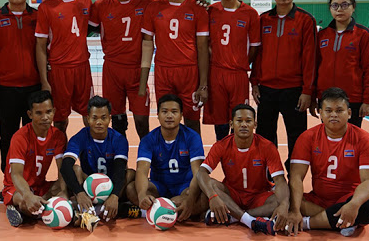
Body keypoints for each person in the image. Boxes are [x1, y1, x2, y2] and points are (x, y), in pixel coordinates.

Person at [286, 87, 369, 237]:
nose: (333, 115)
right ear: (321, 113)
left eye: (339, 110)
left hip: (348, 200)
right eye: (328, 111)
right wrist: (295, 210)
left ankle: (307, 223)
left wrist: (354, 204)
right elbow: (296, 176)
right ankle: (342, 221)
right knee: (282, 197)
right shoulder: (307, 137)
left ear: (349, 113)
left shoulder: (364, 139)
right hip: (317, 200)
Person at [250, 0, 317, 172]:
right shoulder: (263, 20)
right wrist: (254, 83)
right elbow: (257, 55)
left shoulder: (306, 20)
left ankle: (294, 179)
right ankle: (270, 176)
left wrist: (307, 91)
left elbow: (310, 58)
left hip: (294, 91)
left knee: (297, 138)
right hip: (267, 90)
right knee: (265, 136)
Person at [139, 0, 210, 135]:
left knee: (192, 121)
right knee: (167, 119)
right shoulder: (153, 8)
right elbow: (147, 45)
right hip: (164, 72)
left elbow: (202, 48)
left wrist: (203, 84)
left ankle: (195, 160)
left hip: (189, 72)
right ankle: (167, 159)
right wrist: (143, 82)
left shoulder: (197, 9)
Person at [197, 104, 289, 235]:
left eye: (248, 121)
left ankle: (234, 217)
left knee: (280, 198)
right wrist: (213, 196)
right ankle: (250, 221)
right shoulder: (221, 146)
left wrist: (284, 206)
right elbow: (201, 173)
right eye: (239, 121)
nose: (244, 125)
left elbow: (280, 180)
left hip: (258, 196)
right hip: (232, 195)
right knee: (211, 185)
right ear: (231, 124)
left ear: (255, 124)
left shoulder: (267, 146)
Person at [89, 0, 154, 140]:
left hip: (136, 70)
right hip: (112, 71)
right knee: (117, 122)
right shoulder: (101, 6)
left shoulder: (147, 3)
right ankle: (120, 162)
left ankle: (147, 161)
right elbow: (82, 29)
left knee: (142, 122)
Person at [0, 0, 41, 173]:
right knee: (8, 136)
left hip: (34, 89)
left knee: (32, 136)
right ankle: (8, 179)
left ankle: (31, 177)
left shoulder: (38, 17)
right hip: (7, 89)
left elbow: (46, 53)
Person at [128, 94, 208, 223]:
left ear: (181, 115)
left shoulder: (192, 137)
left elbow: (198, 173)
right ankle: (179, 212)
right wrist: (142, 195)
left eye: (174, 112)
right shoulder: (148, 139)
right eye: (164, 112)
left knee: (207, 193)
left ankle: (158, 212)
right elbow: (142, 171)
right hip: (160, 188)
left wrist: (190, 199)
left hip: (185, 187)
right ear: (158, 115)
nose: (169, 116)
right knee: (132, 189)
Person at [35, 0, 93, 134]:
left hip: (82, 68)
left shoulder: (86, 0)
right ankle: (63, 161)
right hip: (59, 70)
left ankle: (89, 158)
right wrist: (44, 80)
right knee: (60, 121)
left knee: (90, 117)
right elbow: (40, 45)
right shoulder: (47, 7)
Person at [203, 0, 261, 141]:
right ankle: (222, 152)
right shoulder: (210, 11)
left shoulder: (250, 14)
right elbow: (204, 43)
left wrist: (241, 62)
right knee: (220, 122)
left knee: (239, 119)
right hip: (216, 73)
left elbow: (255, 47)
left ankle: (237, 156)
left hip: (238, 74)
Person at [61, 95, 138, 224]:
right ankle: (100, 208)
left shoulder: (119, 139)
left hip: (111, 184)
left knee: (130, 173)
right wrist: (79, 192)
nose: (99, 122)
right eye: (94, 118)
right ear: (88, 119)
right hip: (88, 186)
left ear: (109, 118)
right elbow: (65, 166)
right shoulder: (80, 137)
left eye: (103, 118)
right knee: (75, 169)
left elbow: (120, 170)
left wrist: (114, 195)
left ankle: (89, 210)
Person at [310, 0, 369, 128]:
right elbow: (314, 69)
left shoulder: (364, 35)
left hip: (352, 100)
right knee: (329, 140)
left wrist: (368, 101)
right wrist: (313, 97)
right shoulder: (322, 35)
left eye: (345, 5)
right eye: (335, 5)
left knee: (350, 142)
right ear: (330, 8)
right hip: (326, 99)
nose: (339, 9)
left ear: (353, 7)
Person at [2, 90, 67, 227]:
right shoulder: (20, 137)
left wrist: (64, 192)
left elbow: (63, 170)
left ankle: (33, 212)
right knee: (25, 202)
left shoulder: (58, 136)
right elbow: (16, 174)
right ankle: (23, 209)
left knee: (73, 181)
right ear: (30, 114)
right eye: (39, 113)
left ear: (54, 112)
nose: (45, 117)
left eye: (48, 112)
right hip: (17, 188)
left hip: (40, 186)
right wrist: (28, 195)